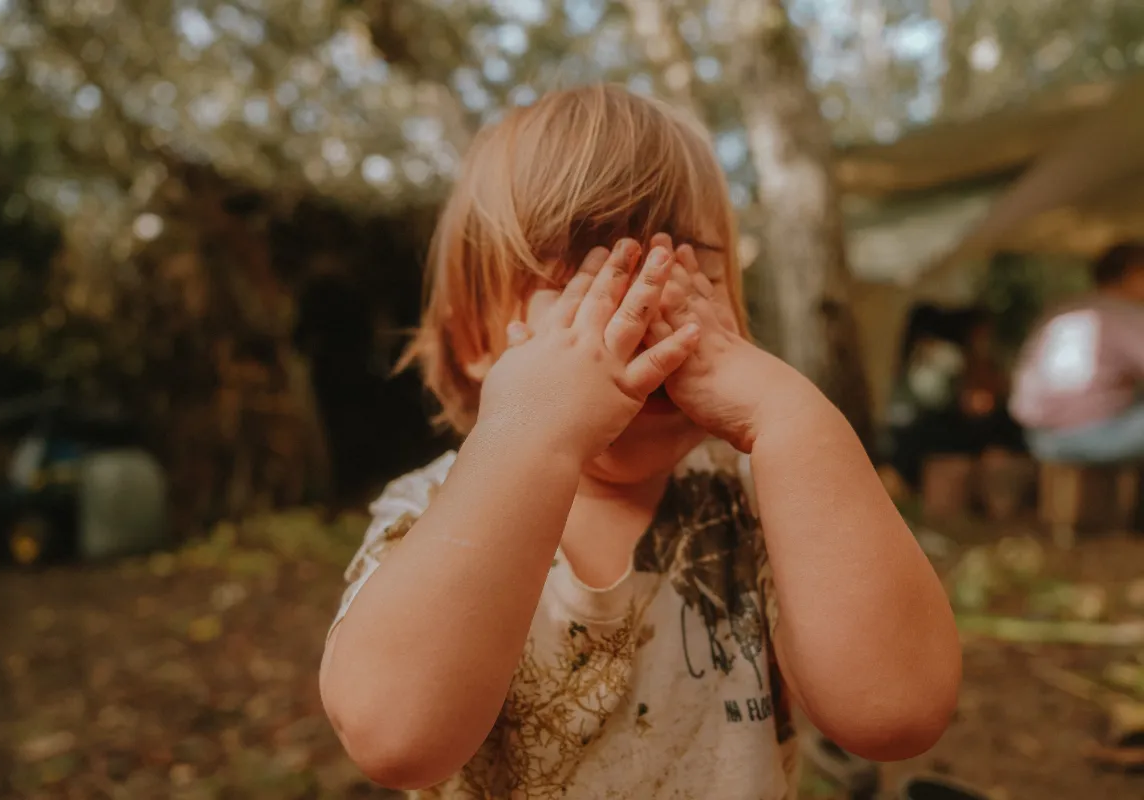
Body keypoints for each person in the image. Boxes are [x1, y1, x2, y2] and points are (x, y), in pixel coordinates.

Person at [318, 85, 960, 799]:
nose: (645, 315)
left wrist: (791, 416)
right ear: (476, 337)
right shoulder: (433, 510)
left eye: (696, 280)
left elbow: (897, 709)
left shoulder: (761, 499)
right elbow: (393, 734)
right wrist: (533, 437)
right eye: (590, 287)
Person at [1010, 242, 1144, 464]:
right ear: (1133, 274)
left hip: (1040, 437)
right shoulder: (1123, 313)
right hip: (1096, 435)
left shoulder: (1062, 310)